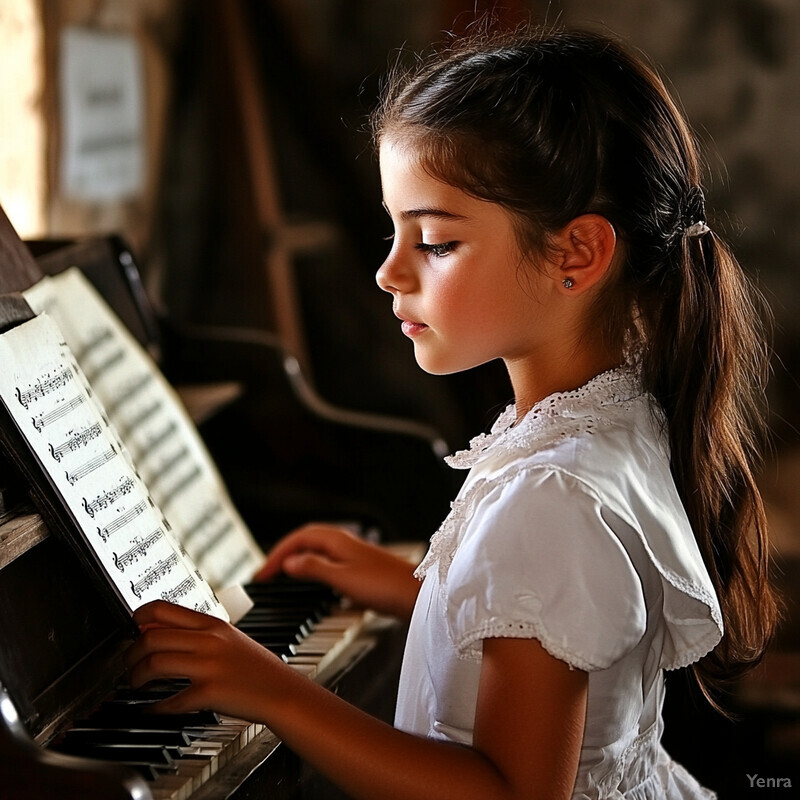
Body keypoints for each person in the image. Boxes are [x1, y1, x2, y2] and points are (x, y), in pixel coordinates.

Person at [124, 25, 780, 799]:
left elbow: (507, 793)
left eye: (434, 241)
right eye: (394, 231)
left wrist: (273, 690)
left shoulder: (552, 497)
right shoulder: (615, 408)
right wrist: (422, 588)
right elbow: (562, 633)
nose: (388, 272)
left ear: (578, 253)